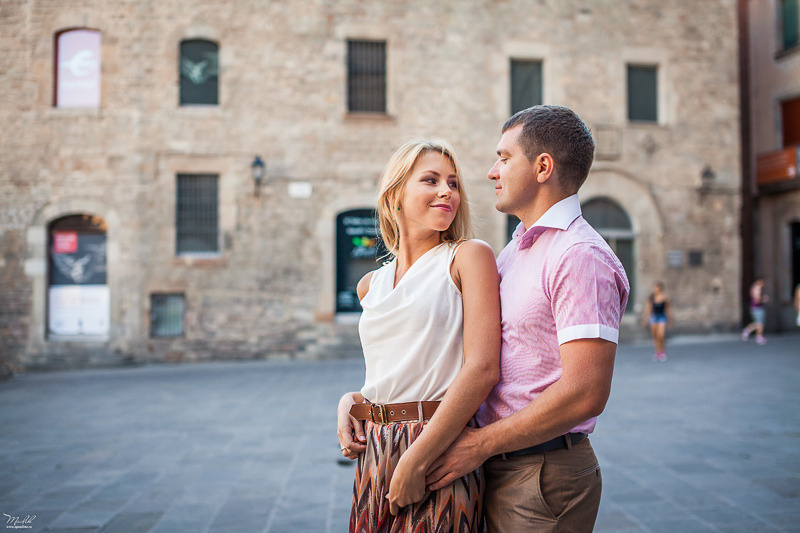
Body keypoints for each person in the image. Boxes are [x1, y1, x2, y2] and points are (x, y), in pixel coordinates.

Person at [425, 105, 630, 532]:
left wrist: (479, 445)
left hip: (541, 473)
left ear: (542, 167)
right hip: (498, 464)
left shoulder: (579, 257)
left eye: (503, 157)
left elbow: (586, 392)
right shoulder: (517, 248)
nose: (491, 172)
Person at [336, 139, 501, 532]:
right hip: (374, 449)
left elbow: (481, 369)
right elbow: (395, 371)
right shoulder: (369, 286)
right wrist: (353, 399)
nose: (447, 191)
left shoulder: (467, 257)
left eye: (454, 183)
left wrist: (417, 460)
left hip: (438, 447)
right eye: (431, 180)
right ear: (395, 195)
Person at [640, 282, 673, 361]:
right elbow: (648, 309)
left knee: (661, 335)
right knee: (655, 335)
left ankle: (662, 351)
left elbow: (668, 309)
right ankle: (657, 351)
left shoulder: (665, 298)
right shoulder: (652, 298)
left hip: (662, 317)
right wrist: (644, 320)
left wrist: (670, 319)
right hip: (654, 317)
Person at [742, 278, 768, 345]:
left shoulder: (754, 287)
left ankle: (747, 331)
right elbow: (757, 299)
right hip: (757, 308)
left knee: (757, 323)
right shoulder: (757, 288)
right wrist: (764, 299)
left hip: (754, 307)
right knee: (760, 324)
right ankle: (759, 338)